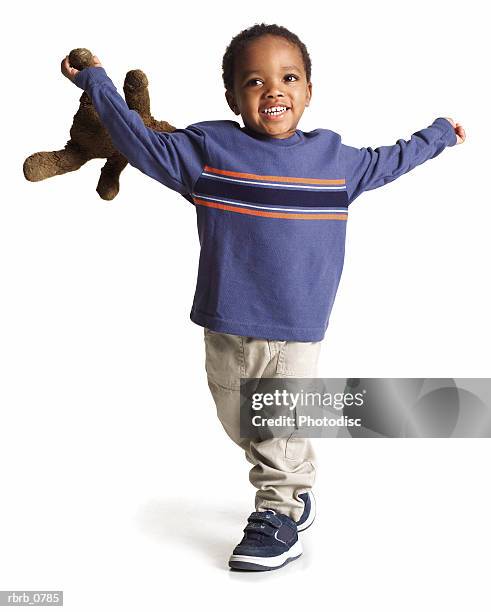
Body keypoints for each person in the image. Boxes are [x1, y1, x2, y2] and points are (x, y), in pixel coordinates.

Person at [61, 23, 465, 571]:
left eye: (288, 78)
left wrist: (439, 133)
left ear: (308, 91)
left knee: (273, 419)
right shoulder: (208, 151)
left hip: (295, 323)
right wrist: (97, 81)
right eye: (255, 81)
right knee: (239, 418)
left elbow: (391, 159)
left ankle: (281, 507)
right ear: (232, 97)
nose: (273, 90)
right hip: (224, 318)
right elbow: (139, 140)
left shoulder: (334, 161)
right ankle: (295, 484)